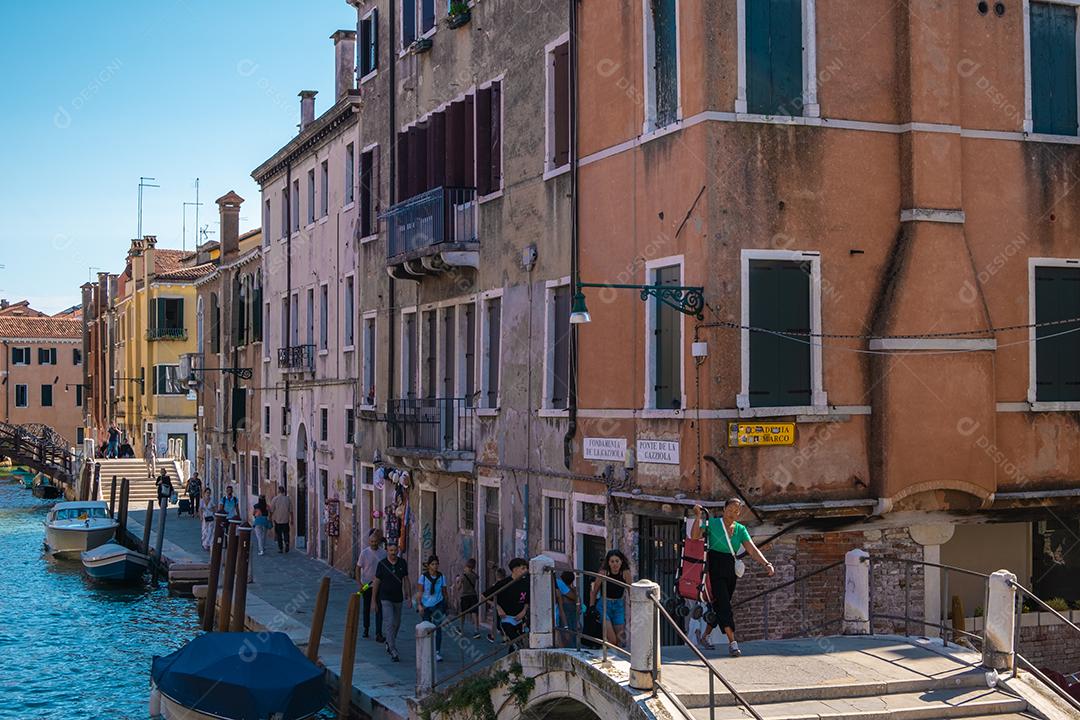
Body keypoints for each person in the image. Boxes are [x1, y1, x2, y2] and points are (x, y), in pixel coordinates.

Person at [691, 499, 774, 657]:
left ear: (739, 513)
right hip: (715, 565)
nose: (732, 513)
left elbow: (752, 550)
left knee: (721, 604)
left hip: (730, 567)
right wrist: (698, 516)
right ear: (724, 509)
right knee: (724, 605)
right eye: (730, 509)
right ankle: (732, 643)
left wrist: (766, 563)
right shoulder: (713, 523)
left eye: (736, 511)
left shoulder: (740, 529)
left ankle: (704, 636)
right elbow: (695, 536)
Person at [372, 540, 412, 662]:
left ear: (398, 551)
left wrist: (409, 596)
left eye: (395, 550)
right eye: (391, 551)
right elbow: (376, 582)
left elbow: (406, 579)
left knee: (397, 623)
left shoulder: (402, 563)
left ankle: (390, 641)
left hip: (398, 598)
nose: (393, 553)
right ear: (387, 551)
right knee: (389, 623)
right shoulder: (382, 564)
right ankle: (393, 650)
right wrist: (373, 600)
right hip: (385, 598)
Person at [590, 549, 632, 647]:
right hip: (604, 606)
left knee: (619, 640)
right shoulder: (603, 573)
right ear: (608, 562)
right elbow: (594, 590)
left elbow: (630, 590)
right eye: (612, 561)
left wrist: (632, 606)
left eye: (617, 561)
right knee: (612, 640)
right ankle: (604, 656)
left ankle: (610, 658)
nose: (615, 564)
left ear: (621, 561)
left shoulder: (625, 573)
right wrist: (591, 606)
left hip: (619, 607)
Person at [416, 555, 449, 662]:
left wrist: (446, 605)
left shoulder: (441, 577)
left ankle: (437, 651)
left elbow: (444, 592)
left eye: (436, 564)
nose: (435, 566)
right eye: (432, 564)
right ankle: (426, 650)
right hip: (426, 604)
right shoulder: (424, 577)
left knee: (437, 626)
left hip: (438, 603)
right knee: (426, 627)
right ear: (429, 565)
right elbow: (420, 592)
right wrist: (419, 605)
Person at [356, 529, 386, 641]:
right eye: (372, 541)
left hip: (379, 585)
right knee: (366, 607)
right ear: (369, 541)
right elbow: (358, 568)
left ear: (378, 541)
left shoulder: (383, 553)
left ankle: (378, 632)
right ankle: (366, 628)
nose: (374, 543)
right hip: (366, 584)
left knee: (379, 607)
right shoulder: (364, 553)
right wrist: (359, 583)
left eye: (375, 541)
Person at [491, 558, 529, 644]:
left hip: (520, 619)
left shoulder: (526, 582)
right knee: (516, 641)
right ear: (515, 570)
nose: (526, 570)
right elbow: (485, 596)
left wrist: (524, 611)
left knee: (516, 645)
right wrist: (498, 608)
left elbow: (528, 599)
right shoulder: (504, 583)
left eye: (526, 568)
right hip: (506, 619)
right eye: (523, 568)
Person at [454, 558, 481, 639]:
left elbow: (458, 588)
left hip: (465, 596)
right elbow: (477, 577)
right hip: (473, 595)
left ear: (467, 566)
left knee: (463, 613)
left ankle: (461, 629)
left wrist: (457, 581)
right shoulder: (474, 576)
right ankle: (476, 630)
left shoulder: (463, 576)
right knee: (474, 613)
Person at [481, 567, 509, 643]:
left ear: (496, 575)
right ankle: (499, 637)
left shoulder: (496, 585)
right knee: (498, 621)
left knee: (498, 623)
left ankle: (504, 637)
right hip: (507, 605)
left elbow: (483, 596)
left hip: (499, 606)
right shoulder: (508, 583)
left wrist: (493, 603)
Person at [554, 570, 579, 647]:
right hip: (567, 610)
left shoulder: (558, 583)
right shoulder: (561, 584)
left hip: (563, 611)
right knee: (572, 630)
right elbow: (574, 597)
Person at [269, 486, 292, 553]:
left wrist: (270, 517)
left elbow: (271, 510)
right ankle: (287, 542)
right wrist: (292, 519)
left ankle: (280, 548)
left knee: (279, 534)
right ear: (284, 491)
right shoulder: (288, 499)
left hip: (278, 520)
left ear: (278, 491)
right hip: (286, 520)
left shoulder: (275, 499)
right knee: (286, 533)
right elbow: (291, 511)